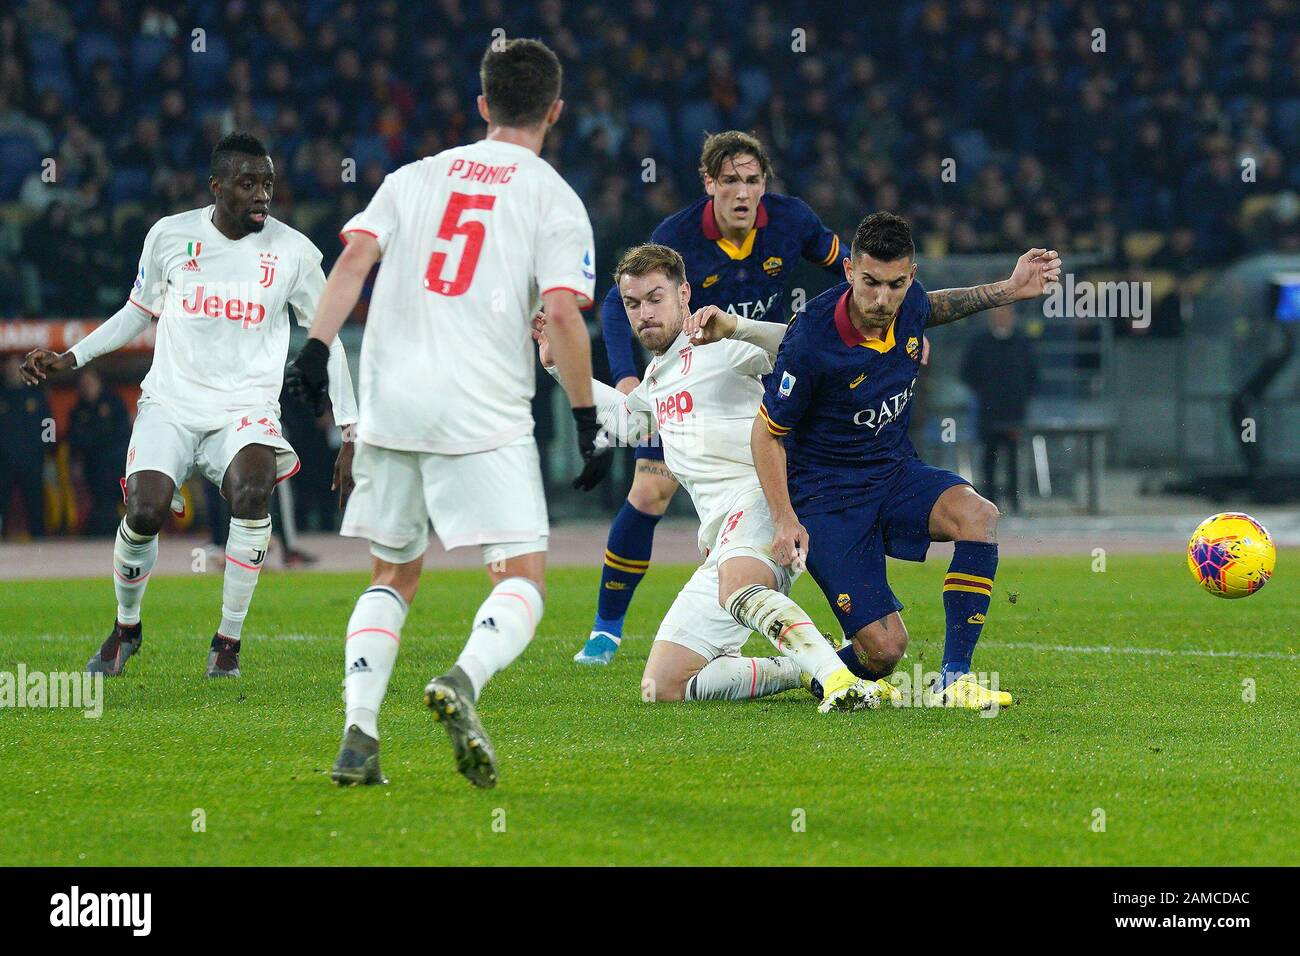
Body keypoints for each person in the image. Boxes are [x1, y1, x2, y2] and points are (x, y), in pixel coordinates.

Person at [287, 39, 610, 790]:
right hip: (482, 407)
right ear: (555, 111)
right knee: (522, 574)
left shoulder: (412, 176)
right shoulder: (553, 195)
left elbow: (353, 261)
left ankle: (358, 733)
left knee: (393, 572)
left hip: (392, 399)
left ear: (482, 105)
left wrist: (313, 348)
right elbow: (561, 311)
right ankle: (463, 679)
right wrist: (588, 414)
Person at [21, 131, 358, 679]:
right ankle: (127, 628)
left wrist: (351, 430)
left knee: (251, 493)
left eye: (268, 184)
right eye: (248, 183)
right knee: (146, 511)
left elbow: (330, 338)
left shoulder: (294, 252)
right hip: (172, 404)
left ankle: (228, 642)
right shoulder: (170, 236)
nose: (261, 196)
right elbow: (137, 312)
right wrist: (73, 357)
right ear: (217, 186)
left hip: (245, 409)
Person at [539, 244, 884, 711]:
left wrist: (738, 326)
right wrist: (560, 364)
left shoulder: (718, 342)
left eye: (654, 299)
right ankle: (809, 663)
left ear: (684, 294)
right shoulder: (659, 375)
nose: (643, 314)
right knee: (663, 687)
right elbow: (625, 423)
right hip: (720, 535)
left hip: (763, 503)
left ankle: (842, 682)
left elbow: (804, 346)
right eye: (632, 304)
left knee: (740, 586)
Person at [753, 212, 1061, 709]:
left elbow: (929, 308)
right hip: (828, 497)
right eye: (870, 283)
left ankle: (953, 679)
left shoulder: (907, 302)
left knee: (978, 515)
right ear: (850, 271)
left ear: (910, 277)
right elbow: (767, 434)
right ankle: (817, 669)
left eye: (895, 285)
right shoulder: (811, 339)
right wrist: (784, 517)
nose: (882, 300)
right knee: (884, 652)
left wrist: (1007, 289)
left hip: (894, 472)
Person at [576, 130, 848, 666]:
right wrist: (628, 379)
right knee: (650, 491)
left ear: (764, 184)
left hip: (756, 369)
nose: (742, 194)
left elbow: (845, 269)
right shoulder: (677, 237)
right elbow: (616, 303)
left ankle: (850, 623)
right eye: (729, 182)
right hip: (683, 383)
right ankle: (606, 630)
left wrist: (892, 317)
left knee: (814, 486)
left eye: (752, 181)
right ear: (709, 185)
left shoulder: (791, 219)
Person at [960, 305, 1037, 513]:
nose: (1002, 316)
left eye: (1006, 312)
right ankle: (990, 503)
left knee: (1014, 458)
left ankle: (1015, 502)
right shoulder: (979, 342)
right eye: (999, 312)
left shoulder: (1022, 341)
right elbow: (967, 372)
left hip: (1014, 412)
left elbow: (1033, 372)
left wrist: (1022, 395)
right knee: (989, 458)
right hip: (988, 411)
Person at [66, 367, 131, 536]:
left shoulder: (113, 403)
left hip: (118, 464)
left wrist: (95, 439)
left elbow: (124, 432)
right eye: (84, 384)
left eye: (90, 383)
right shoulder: (78, 411)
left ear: (99, 383)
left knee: (118, 503)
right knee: (102, 504)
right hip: (93, 466)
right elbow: (75, 440)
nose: (88, 388)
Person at [0, 355, 50, 539]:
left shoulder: (35, 394)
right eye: (9, 368)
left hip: (31, 461)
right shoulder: (2, 394)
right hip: (3, 462)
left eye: (16, 367)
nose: (12, 371)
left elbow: (48, 421)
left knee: (35, 505)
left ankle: (39, 542)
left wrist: (47, 447)